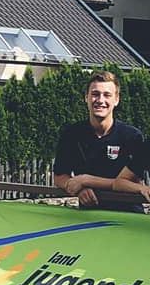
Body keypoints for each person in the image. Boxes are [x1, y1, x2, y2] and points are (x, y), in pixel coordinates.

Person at [54, 71, 143, 207]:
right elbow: (59, 176)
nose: (100, 100)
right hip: (89, 214)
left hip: (127, 214)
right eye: (95, 94)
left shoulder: (132, 136)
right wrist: (77, 188)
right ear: (86, 97)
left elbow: (134, 183)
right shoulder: (71, 134)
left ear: (116, 99)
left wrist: (86, 180)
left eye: (107, 95)